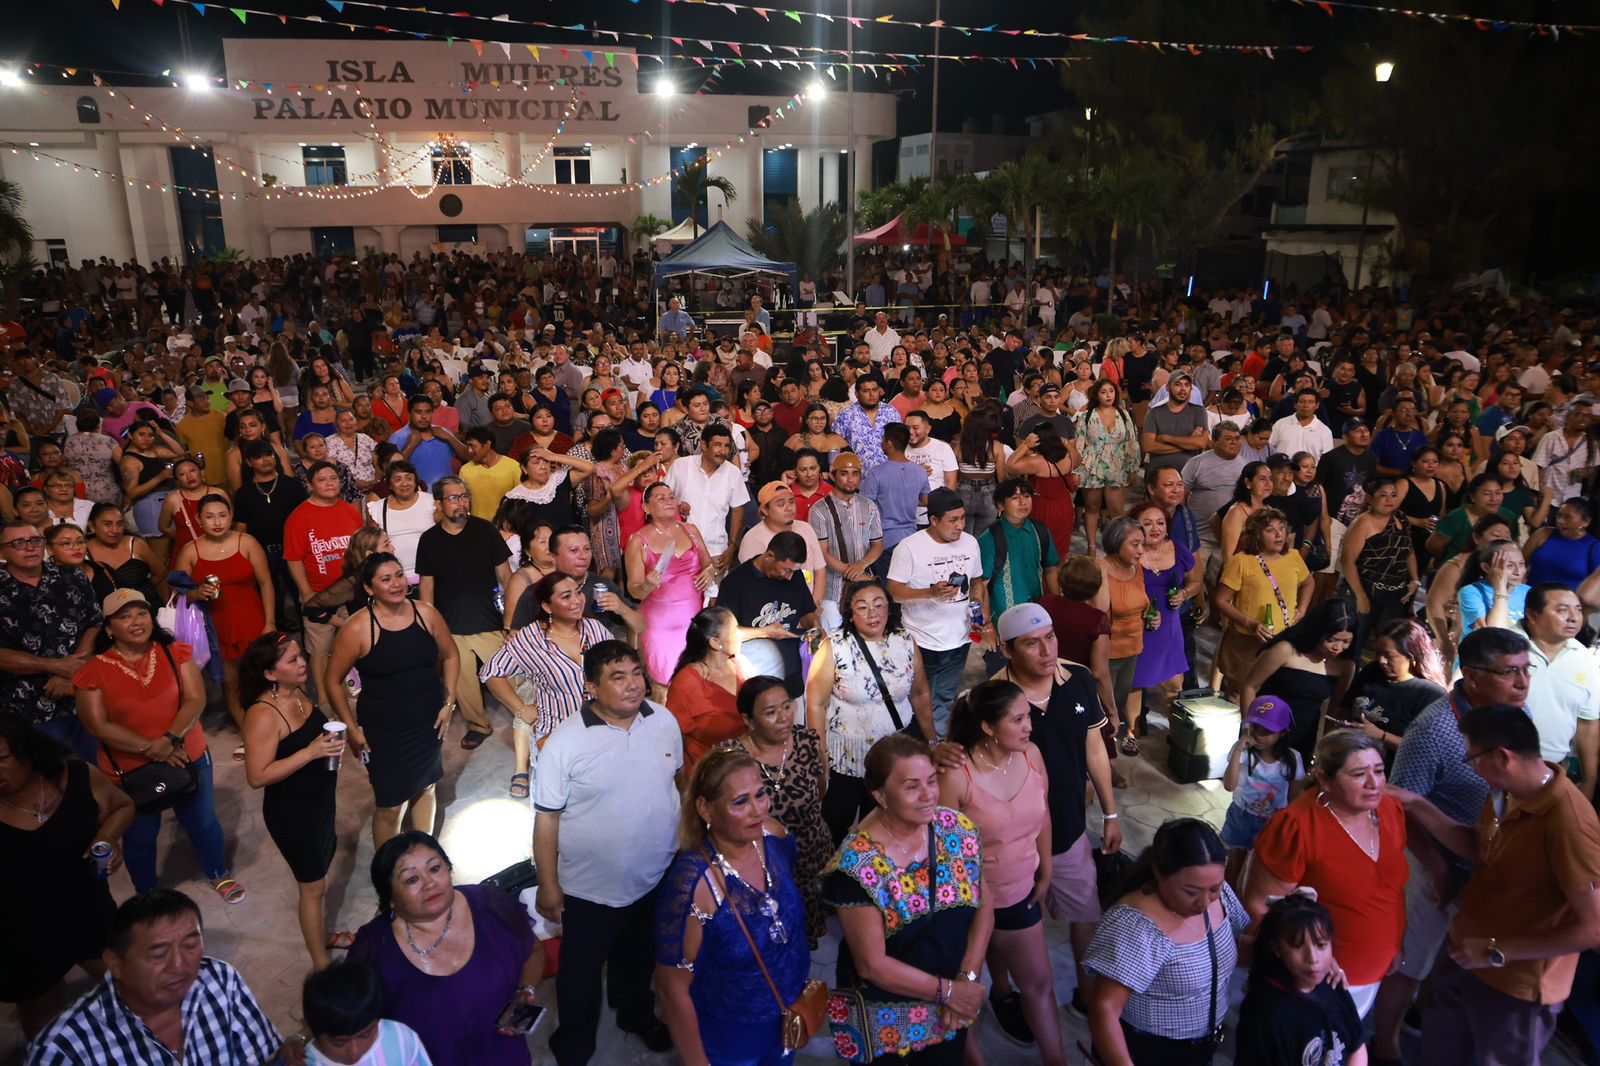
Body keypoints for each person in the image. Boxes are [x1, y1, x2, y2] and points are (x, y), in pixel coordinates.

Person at [1392, 704, 1600, 1066]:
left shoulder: (1570, 823)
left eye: (1473, 759)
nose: (1472, 769)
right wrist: (1415, 804)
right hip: (1468, 954)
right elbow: (1478, 848)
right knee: (1440, 1047)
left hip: (1517, 984)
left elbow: (1593, 929)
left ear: (1502, 757)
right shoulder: (1506, 794)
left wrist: (1496, 952)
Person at [955, 602, 1122, 1020]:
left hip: (1066, 829)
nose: (1047, 650)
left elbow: (1094, 746)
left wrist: (1111, 812)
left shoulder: (1079, 678)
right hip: (1005, 842)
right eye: (1033, 643)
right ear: (1008, 651)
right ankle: (1005, 994)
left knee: (1085, 913)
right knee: (999, 926)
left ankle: (1086, 994)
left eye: (1050, 637)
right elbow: (963, 757)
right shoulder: (989, 699)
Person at [534, 641, 679, 1064]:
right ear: (591, 687)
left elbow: (677, 782)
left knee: (638, 957)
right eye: (618, 677)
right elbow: (547, 820)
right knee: (580, 974)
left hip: (654, 875)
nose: (633, 685)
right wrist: (548, 886)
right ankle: (574, 1043)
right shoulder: (564, 744)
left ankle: (634, 1015)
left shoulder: (664, 720)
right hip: (591, 889)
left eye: (636, 673)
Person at [821, 733, 994, 1064]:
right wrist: (949, 992)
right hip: (888, 1024)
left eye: (931, 780)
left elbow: (984, 905)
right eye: (912, 786)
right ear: (880, 795)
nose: (928, 794)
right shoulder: (856, 867)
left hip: (952, 1009)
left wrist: (967, 979)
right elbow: (872, 965)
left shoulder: (957, 829)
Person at [73, 589, 238, 900]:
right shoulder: (93, 671)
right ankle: (147, 893)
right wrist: (153, 747)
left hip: (186, 754)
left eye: (141, 613)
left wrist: (169, 739)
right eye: (124, 617)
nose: (136, 621)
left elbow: (195, 699)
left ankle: (217, 872)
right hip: (130, 768)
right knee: (141, 836)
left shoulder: (175, 652)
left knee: (202, 822)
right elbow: (97, 725)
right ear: (109, 628)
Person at [655, 747, 812, 1066]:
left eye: (761, 794)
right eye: (741, 801)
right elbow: (673, 990)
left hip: (787, 1018)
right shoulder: (693, 886)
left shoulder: (773, 837)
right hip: (730, 1040)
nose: (758, 810)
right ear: (706, 809)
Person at [938, 680, 1065, 1066]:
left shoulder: (1032, 756)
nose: (1029, 726)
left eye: (1028, 717)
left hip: (1019, 894)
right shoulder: (957, 773)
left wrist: (1046, 869)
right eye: (1018, 719)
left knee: (1040, 984)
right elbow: (947, 854)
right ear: (988, 727)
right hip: (970, 905)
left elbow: (1043, 816)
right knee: (966, 994)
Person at [1244, 730, 1408, 1017]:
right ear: (1324, 780)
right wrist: (1313, 961)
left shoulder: (1390, 810)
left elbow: (1390, 890)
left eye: (1380, 771)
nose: (1374, 783)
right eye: (1358, 774)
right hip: (1315, 981)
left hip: (1372, 972)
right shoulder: (1296, 826)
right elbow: (1261, 906)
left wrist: (1394, 943)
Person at [348, 831, 545, 1066]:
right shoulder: (374, 948)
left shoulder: (492, 906)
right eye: (411, 879)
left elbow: (534, 951)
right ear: (389, 897)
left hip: (504, 1055)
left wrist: (526, 990)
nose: (430, 883)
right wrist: (303, 1039)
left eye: (434, 868)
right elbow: (346, 1013)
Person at [25, 888, 282, 1066]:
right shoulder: (62, 1051)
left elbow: (266, 1056)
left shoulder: (221, 980)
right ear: (115, 963)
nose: (179, 965)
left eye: (191, 946)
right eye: (158, 954)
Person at [0, 718, 131, 1040]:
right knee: (43, 1021)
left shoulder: (79, 778)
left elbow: (122, 807)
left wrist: (107, 838)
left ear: (27, 751)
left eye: (1, 759)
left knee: (132, 991)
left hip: (89, 911)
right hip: (22, 934)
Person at [1083, 818, 1249, 1066]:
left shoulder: (1220, 895)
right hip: (1151, 1050)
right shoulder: (1135, 926)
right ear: (1159, 872)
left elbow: (1235, 950)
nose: (1205, 903)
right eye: (1191, 892)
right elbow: (1104, 1009)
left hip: (1202, 1044)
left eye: (1214, 888)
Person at [327, 553, 458, 847]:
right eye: (386, 579)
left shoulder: (426, 613)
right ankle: (390, 873)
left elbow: (450, 655)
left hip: (427, 721)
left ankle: (425, 854)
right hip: (384, 730)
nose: (397, 583)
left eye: (399, 575)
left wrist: (448, 704)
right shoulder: (358, 627)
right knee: (390, 804)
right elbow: (332, 681)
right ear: (370, 589)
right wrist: (351, 729)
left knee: (426, 786)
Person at [239, 631, 346, 972]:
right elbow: (257, 776)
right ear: (270, 674)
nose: (303, 664)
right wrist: (311, 751)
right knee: (311, 887)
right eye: (293, 660)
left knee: (320, 876)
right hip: (293, 814)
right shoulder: (263, 714)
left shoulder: (296, 692)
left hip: (319, 803)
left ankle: (323, 935)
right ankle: (320, 964)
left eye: (301, 656)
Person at [807, 578, 935, 844]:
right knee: (836, 823)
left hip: (893, 754)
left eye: (879, 605)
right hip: (846, 756)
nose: (872, 613)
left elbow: (920, 693)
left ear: (890, 608)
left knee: (884, 822)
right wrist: (819, 754)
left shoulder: (905, 642)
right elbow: (816, 704)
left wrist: (932, 739)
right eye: (862, 607)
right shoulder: (835, 646)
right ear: (850, 614)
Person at [480, 570, 614, 798]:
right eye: (566, 596)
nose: (577, 601)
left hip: (601, 734)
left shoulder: (594, 629)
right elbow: (491, 672)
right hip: (556, 738)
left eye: (578, 593)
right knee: (558, 803)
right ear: (547, 607)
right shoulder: (531, 639)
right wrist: (521, 709)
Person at [722, 674, 831, 946]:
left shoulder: (806, 740)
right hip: (763, 861)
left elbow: (820, 789)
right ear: (748, 720)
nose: (783, 717)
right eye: (771, 712)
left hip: (810, 851)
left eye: (787, 706)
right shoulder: (732, 758)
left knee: (805, 926)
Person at [416, 476, 512, 750]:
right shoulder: (429, 540)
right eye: (454, 498)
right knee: (462, 684)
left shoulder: (485, 530)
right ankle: (479, 724)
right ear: (439, 504)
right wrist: (431, 631)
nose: (462, 503)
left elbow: (506, 576)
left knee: (511, 680)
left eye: (464, 496)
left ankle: (528, 716)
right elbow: (427, 589)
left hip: (489, 621)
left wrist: (512, 620)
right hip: (452, 628)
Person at [886, 487, 988, 740]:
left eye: (962, 518)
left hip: (960, 638)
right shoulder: (909, 548)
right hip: (923, 641)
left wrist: (977, 610)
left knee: (945, 696)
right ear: (933, 520)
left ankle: (936, 746)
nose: (960, 525)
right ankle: (913, 746)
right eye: (953, 520)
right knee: (917, 698)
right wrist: (929, 594)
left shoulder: (971, 543)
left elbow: (976, 581)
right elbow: (894, 592)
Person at [172, 493, 273, 742]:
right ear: (198, 519)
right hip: (216, 627)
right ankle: (251, 735)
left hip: (251, 619)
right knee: (231, 683)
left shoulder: (247, 542)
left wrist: (270, 622)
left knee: (263, 676)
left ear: (231, 516)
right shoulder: (190, 551)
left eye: (222, 515)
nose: (217, 522)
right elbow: (176, 597)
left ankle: (273, 725)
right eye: (209, 517)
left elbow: (266, 583)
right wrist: (196, 592)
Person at [0, 520, 102, 761]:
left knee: (100, 769)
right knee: (53, 778)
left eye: (36, 541)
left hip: (84, 693)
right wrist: (53, 666)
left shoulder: (72, 575)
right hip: (28, 706)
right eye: (18, 543)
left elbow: (94, 622)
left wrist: (73, 668)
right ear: (2, 552)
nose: (30, 548)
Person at [1233, 894, 1368, 1066]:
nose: (1313, 959)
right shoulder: (1263, 1014)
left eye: (1321, 945)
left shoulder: (1333, 983)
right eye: (1297, 946)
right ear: (1276, 948)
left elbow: (1357, 1045)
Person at [284, 462, 365, 715]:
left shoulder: (349, 511)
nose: (330, 483)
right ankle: (326, 703)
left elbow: (360, 549)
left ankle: (355, 699)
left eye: (334, 478)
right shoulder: (299, 516)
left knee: (354, 648)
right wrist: (307, 593)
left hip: (351, 594)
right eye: (322, 479)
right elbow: (294, 558)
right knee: (319, 651)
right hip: (319, 596)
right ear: (309, 485)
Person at [1239, 599, 1358, 769]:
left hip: (1303, 741)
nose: (1338, 647)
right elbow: (1249, 686)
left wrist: (1326, 753)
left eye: (1346, 641)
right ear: (1318, 631)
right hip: (1265, 734)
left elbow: (1334, 713)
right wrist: (1250, 730)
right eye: (1332, 639)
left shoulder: (1346, 665)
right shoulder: (1286, 650)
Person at [1212, 508, 1311, 697]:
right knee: (1239, 694)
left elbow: (1308, 583)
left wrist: (1302, 610)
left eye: (1281, 529)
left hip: (1282, 639)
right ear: (1256, 535)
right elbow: (1221, 600)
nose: (1278, 534)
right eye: (1270, 530)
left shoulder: (1294, 556)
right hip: (1247, 641)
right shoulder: (1241, 561)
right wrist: (1250, 623)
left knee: (1272, 695)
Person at [717, 531, 818, 699]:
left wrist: (816, 627)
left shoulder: (795, 577)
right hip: (757, 671)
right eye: (786, 570)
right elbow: (724, 634)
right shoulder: (736, 582)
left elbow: (807, 611)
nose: (789, 577)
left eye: (793, 571)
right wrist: (765, 632)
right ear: (770, 556)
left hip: (793, 670)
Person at [1521, 584, 1600, 798]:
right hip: (1496, 764)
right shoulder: (1509, 646)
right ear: (1532, 615)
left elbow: (1588, 722)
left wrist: (1588, 780)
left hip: (1552, 772)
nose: (1574, 617)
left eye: (1578, 610)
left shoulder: (1584, 659)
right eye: (1563, 610)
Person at [1130, 501, 1198, 733]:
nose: (1155, 528)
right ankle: (1132, 731)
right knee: (1135, 683)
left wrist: (1185, 593)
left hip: (1170, 625)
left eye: (1160, 523)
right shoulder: (1129, 552)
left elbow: (1196, 581)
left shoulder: (1179, 550)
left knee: (1174, 683)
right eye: (1147, 524)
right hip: (1137, 623)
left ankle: (1176, 733)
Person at [1220, 696, 1303, 885]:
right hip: (1240, 816)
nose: (1258, 735)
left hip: (1271, 822)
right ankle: (1229, 900)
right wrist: (1238, 751)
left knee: (1256, 868)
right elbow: (1229, 786)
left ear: (1283, 733)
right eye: (1254, 727)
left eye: (1267, 731)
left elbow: (1294, 799)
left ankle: (1243, 899)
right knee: (1235, 863)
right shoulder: (1243, 752)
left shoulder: (1293, 759)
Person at [1343, 618, 1449, 754]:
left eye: (1389, 656)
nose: (1381, 661)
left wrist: (1382, 736)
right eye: (1378, 653)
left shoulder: (1431, 694)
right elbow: (1344, 708)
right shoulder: (1372, 671)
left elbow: (1431, 749)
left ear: (1412, 657)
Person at [298, 960, 432, 1066]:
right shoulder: (301, 1062)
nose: (354, 1051)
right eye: (339, 1042)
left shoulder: (401, 1038)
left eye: (366, 1034)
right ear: (311, 1028)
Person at [664, 607, 747, 771]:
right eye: (735, 630)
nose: (741, 635)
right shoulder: (687, 683)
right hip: (709, 772)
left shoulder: (739, 664)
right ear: (715, 642)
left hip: (741, 765)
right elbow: (672, 738)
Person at [1093, 516, 1151, 752]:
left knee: (1119, 701)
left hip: (1133, 649)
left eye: (1142, 544)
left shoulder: (1136, 568)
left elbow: (1141, 603)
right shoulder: (1100, 568)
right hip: (1109, 653)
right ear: (1117, 542)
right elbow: (1099, 611)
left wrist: (1151, 615)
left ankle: (1107, 756)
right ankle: (1099, 760)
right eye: (1134, 544)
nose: (1140, 551)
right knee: (1105, 711)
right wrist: (1104, 569)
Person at [1339, 477, 1419, 645]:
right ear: (1370, 498)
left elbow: (1408, 549)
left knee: (1391, 643)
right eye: (1383, 495)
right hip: (1365, 587)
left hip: (1395, 592)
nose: (1389, 500)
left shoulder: (1401, 518)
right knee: (1354, 641)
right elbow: (1347, 562)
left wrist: (1415, 579)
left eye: (1393, 495)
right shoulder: (1362, 523)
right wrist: (1360, 596)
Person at [666, 423, 750, 574]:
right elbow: (662, 499)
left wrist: (732, 547)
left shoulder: (733, 474)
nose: (723, 451)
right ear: (704, 445)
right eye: (718, 445)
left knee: (714, 597)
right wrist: (677, 507)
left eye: (727, 446)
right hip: (680, 549)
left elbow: (738, 511)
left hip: (716, 551)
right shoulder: (680, 466)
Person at [977, 478, 1061, 625]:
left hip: (1036, 614)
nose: (1023, 502)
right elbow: (981, 585)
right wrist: (988, 625)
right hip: (1003, 621)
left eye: (1027, 496)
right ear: (1001, 505)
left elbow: (1051, 569)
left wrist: (1057, 607)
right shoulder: (989, 538)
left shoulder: (1040, 531)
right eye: (1015, 498)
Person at [1075, 380, 1142, 554]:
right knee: (1091, 508)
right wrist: (1076, 471)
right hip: (1092, 465)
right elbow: (1078, 445)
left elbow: (1131, 442)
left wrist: (1133, 467)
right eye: (1103, 392)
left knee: (1117, 511)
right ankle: (1091, 546)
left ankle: (1116, 545)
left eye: (1111, 391)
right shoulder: (1086, 416)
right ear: (1096, 395)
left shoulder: (1124, 414)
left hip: (1117, 464)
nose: (1108, 395)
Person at [740, 480, 829, 606]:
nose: (789, 508)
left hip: (809, 607)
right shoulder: (753, 539)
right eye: (780, 504)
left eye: (791, 502)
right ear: (765, 510)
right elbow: (756, 587)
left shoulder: (806, 528)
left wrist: (812, 607)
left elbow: (820, 571)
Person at [84, 502, 166, 606]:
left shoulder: (136, 544)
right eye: (107, 524)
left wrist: (140, 592)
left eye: (119, 524)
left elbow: (160, 572)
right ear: (92, 526)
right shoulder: (83, 553)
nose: (115, 530)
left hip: (148, 606)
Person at [365, 461, 433, 587]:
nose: (405, 483)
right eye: (398, 479)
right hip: (395, 581)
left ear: (415, 481)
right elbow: (373, 545)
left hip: (430, 577)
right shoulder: (378, 508)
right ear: (389, 485)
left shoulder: (431, 502)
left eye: (409, 478)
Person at [1457, 538, 1529, 632]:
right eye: (1509, 565)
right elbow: (1494, 633)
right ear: (1486, 567)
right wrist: (1500, 588)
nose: (1518, 572)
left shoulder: (1529, 592)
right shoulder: (1471, 592)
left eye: (1521, 564)